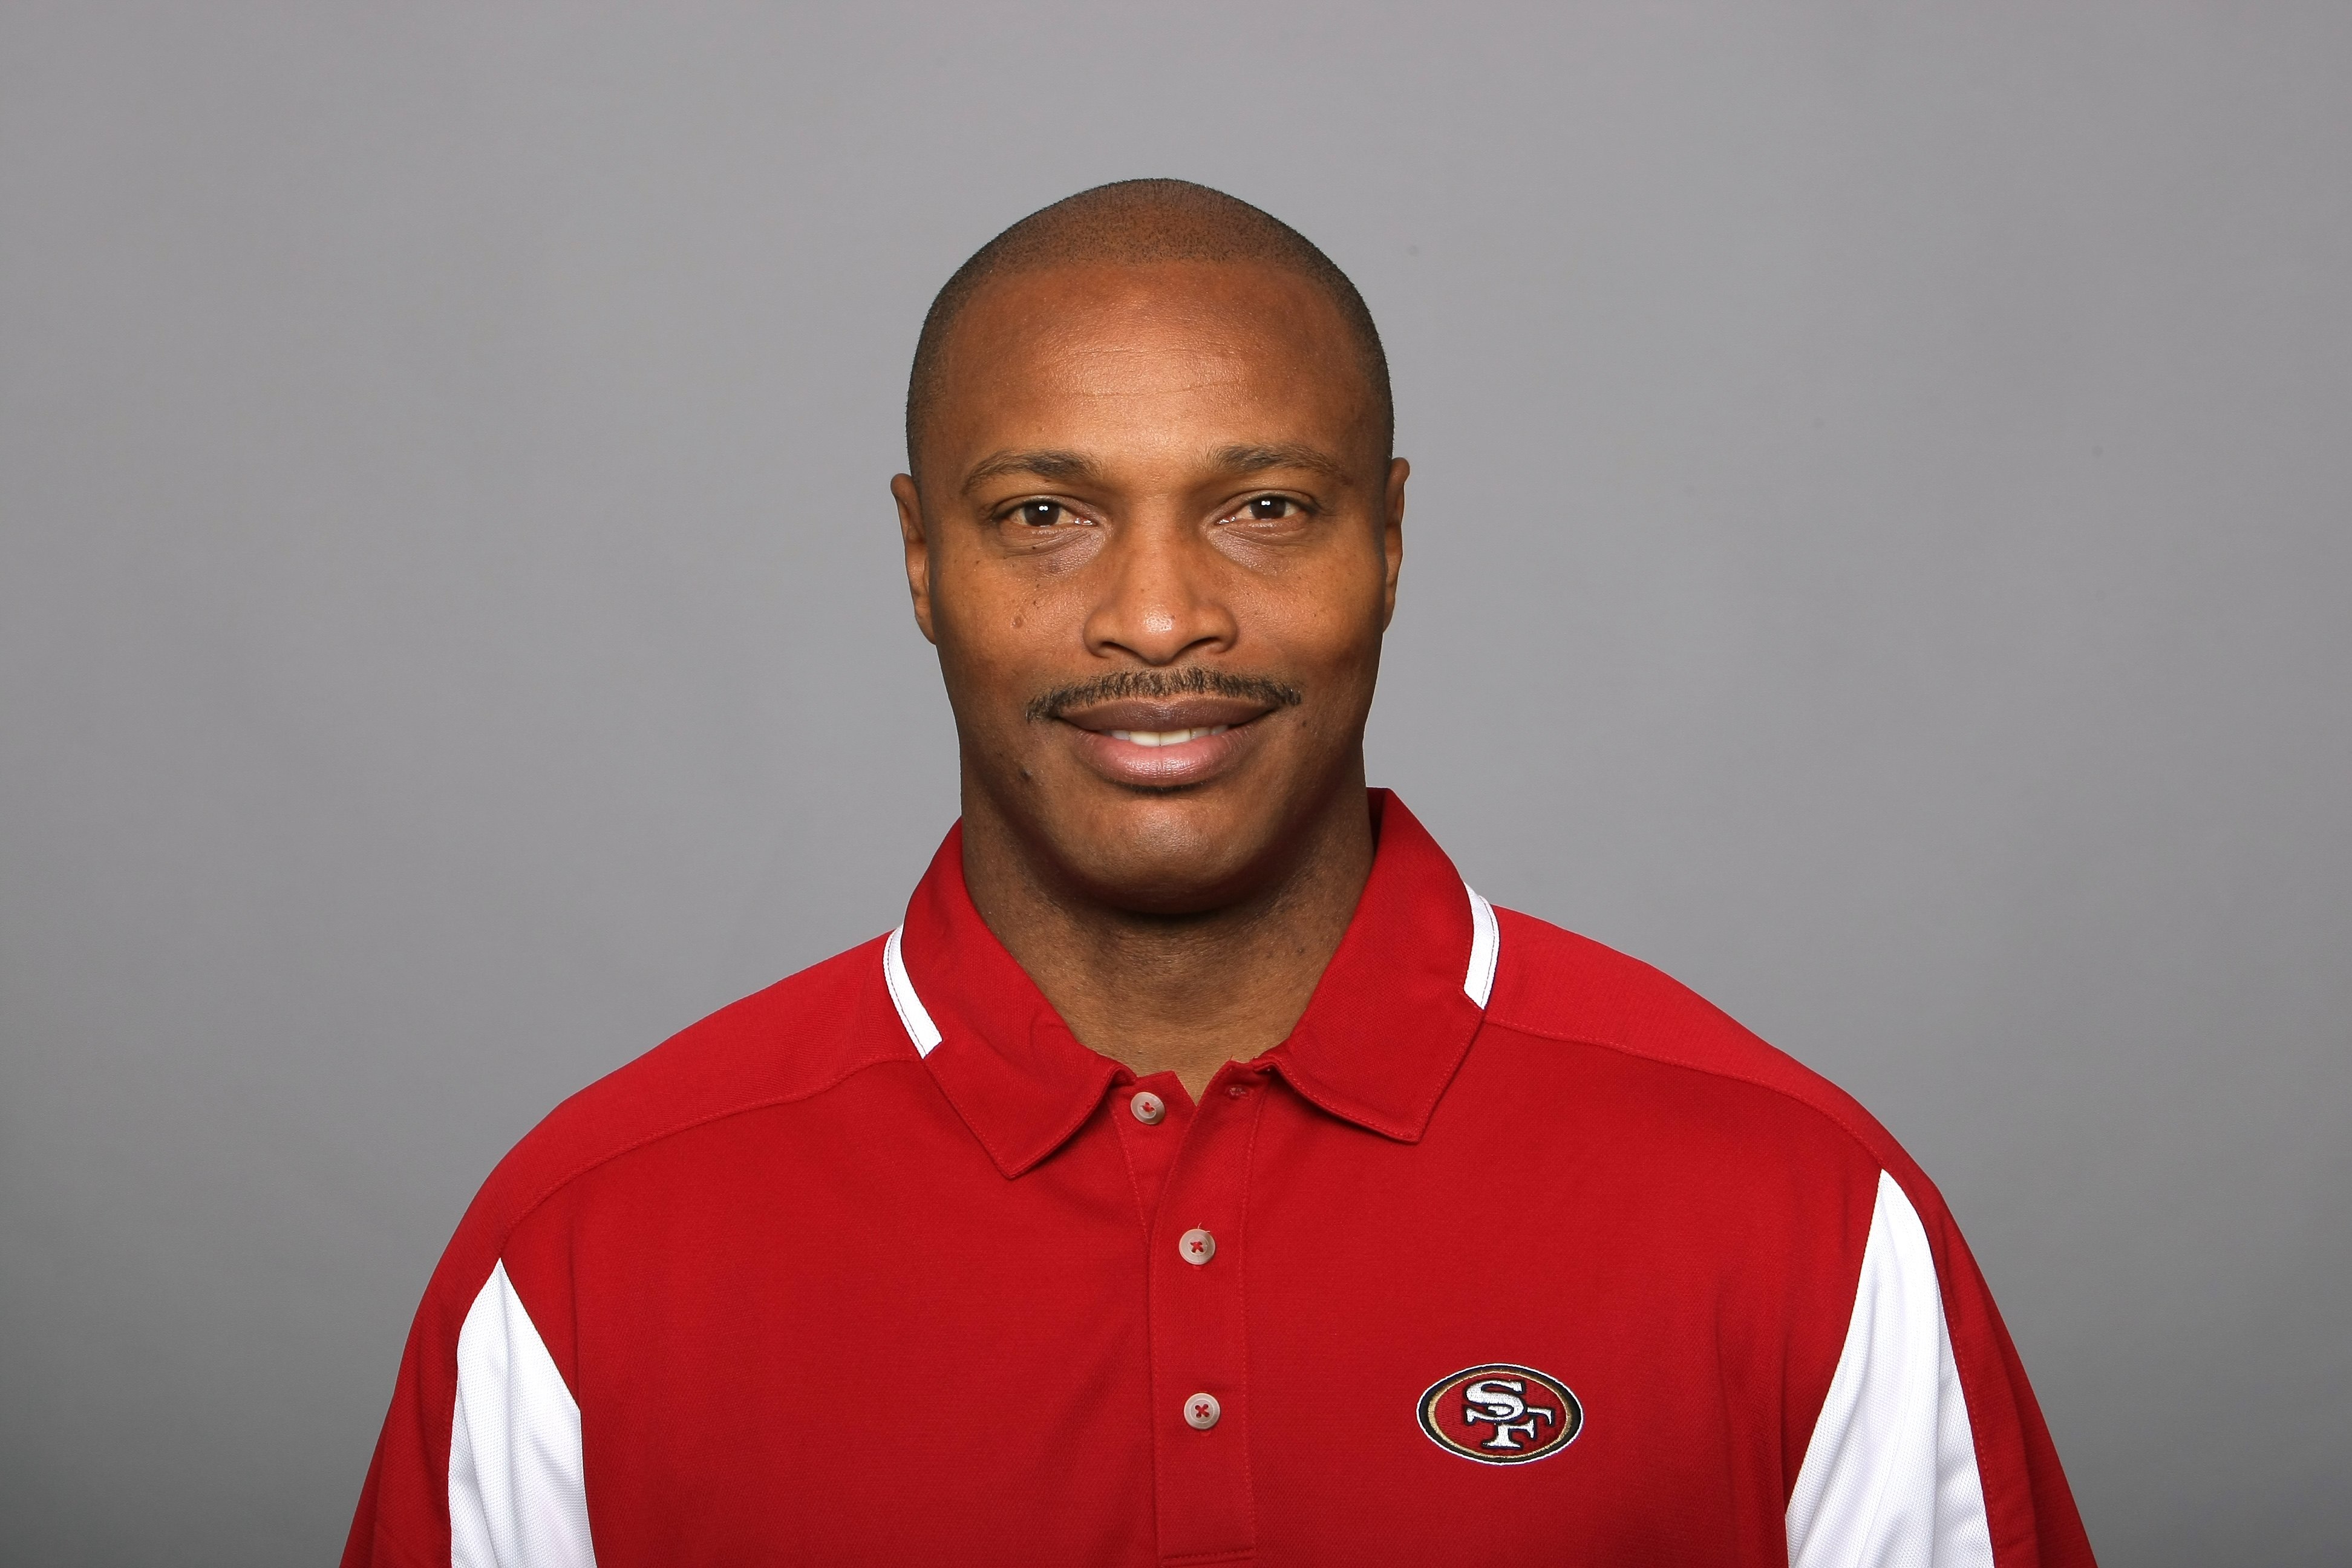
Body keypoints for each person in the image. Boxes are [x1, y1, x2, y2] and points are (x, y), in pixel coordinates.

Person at [342, 179, 2094, 1567]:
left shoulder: (1793, 1207)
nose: (1161, 615)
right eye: (1045, 512)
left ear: (1391, 540)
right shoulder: (588, 1249)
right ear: (919, 558)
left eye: (1265, 506)